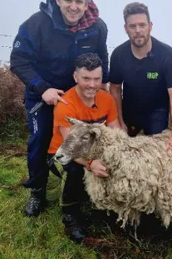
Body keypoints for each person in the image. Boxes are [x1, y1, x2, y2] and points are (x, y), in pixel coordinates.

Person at [10, 0, 109, 217]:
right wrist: (43, 89)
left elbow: (102, 59)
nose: (74, 7)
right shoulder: (36, 24)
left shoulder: (97, 27)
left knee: (88, 140)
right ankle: (37, 191)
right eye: (68, 0)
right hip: (43, 92)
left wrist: (103, 87)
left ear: (87, 3)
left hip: (79, 95)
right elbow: (18, 60)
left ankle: (83, 186)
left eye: (79, 1)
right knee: (41, 139)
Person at [47, 53, 119, 243]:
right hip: (64, 152)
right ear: (75, 76)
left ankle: (107, 206)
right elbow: (71, 149)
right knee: (73, 170)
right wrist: (90, 163)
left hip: (93, 149)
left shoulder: (107, 100)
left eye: (97, 79)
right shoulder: (66, 105)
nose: (92, 84)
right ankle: (70, 214)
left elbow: (116, 131)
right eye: (86, 78)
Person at [109, 2, 172, 152]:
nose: (138, 30)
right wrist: (119, 122)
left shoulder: (167, 55)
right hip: (130, 112)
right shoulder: (118, 55)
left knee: (156, 156)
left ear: (150, 25)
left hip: (157, 112)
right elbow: (115, 89)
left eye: (142, 25)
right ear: (125, 28)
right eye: (132, 26)